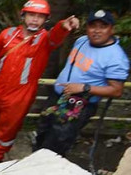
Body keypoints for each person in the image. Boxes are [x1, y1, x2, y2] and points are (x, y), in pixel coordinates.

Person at [0, 0, 79, 164]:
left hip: (21, 91)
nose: (35, 19)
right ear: (23, 16)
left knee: (9, 125)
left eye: (40, 16)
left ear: (45, 20)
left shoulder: (44, 40)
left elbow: (56, 36)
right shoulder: (7, 34)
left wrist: (63, 26)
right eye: (31, 15)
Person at [34, 9, 129, 156]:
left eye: (103, 26)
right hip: (57, 96)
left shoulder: (116, 58)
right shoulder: (82, 41)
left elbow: (116, 90)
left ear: (112, 29)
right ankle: (32, 162)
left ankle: (46, 167)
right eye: (93, 26)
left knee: (57, 142)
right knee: (42, 131)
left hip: (78, 104)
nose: (96, 31)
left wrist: (84, 87)